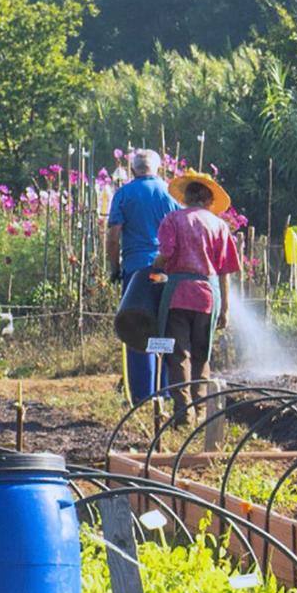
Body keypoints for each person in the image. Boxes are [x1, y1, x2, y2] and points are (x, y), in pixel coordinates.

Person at [147, 171, 240, 426]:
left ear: (187, 197)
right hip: (208, 296)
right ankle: (200, 412)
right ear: (209, 200)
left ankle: (183, 413)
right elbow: (225, 272)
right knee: (202, 354)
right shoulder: (219, 226)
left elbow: (165, 256)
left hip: (178, 294)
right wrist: (226, 309)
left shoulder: (173, 220)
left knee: (179, 355)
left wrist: (152, 270)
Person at [106, 149, 179, 403]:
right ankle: (166, 390)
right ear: (157, 168)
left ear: (134, 169)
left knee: (136, 327)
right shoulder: (170, 193)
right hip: (162, 275)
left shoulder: (124, 194)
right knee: (163, 326)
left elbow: (113, 237)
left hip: (136, 274)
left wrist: (115, 267)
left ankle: (142, 395)